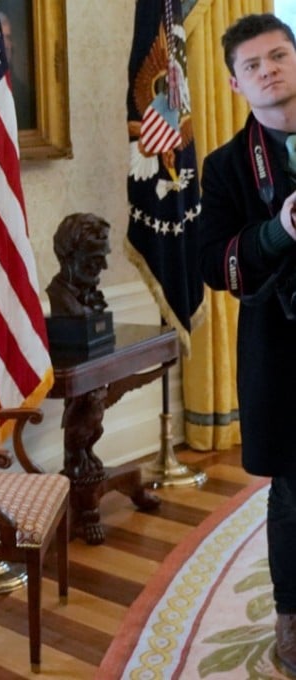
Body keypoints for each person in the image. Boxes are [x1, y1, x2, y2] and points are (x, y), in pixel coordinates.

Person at [200, 13, 296, 675]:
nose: (268, 69)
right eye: (253, 65)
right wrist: (280, 229)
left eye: (278, 55)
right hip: (284, 352)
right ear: (236, 85)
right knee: (293, 492)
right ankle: (292, 618)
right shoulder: (229, 166)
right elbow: (216, 265)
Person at [45, 212, 112, 317]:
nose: (105, 266)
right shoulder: (59, 296)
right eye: (96, 258)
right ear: (67, 259)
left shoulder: (91, 295)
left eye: (104, 257)